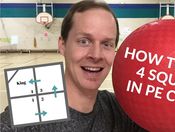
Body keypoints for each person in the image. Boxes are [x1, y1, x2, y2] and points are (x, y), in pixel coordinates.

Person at [0, 1, 146, 132]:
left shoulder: (119, 109)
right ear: (62, 45)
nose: (96, 55)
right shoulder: (28, 112)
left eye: (106, 44)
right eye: (84, 41)